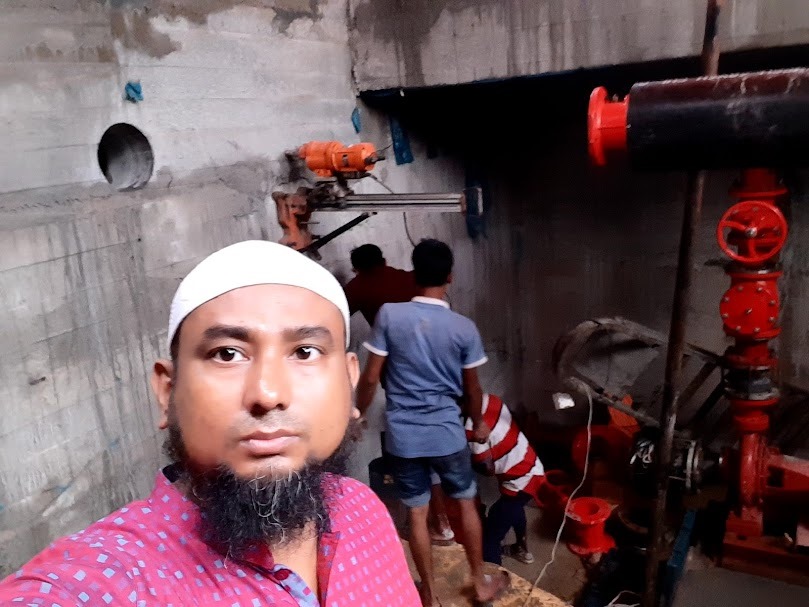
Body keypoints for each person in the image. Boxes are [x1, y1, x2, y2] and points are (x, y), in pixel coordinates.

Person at [0, 240, 419, 606]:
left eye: (305, 352)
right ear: (168, 391)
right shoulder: (104, 581)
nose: (267, 393)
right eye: (227, 354)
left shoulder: (363, 509)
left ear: (349, 380)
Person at [356, 238, 509, 607]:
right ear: (450, 277)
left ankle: (428, 593)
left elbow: (371, 377)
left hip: (404, 438)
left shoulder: (390, 315)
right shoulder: (463, 328)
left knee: (417, 513)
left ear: (414, 274)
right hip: (447, 435)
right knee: (467, 503)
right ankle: (480, 582)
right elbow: (473, 389)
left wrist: (357, 413)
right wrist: (479, 423)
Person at [466, 393, 546, 565]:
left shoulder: (473, 430)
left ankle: (494, 573)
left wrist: (466, 459)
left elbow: (487, 470)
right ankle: (521, 549)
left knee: (489, 538)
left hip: (520, 480)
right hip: (531, 465)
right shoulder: (489, 400)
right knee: (514, 509)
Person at [344, 243, 419, 327]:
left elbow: (337, 314)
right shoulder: (411, 277)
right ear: (384, 261)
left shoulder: (356, 288)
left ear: (357, 270)